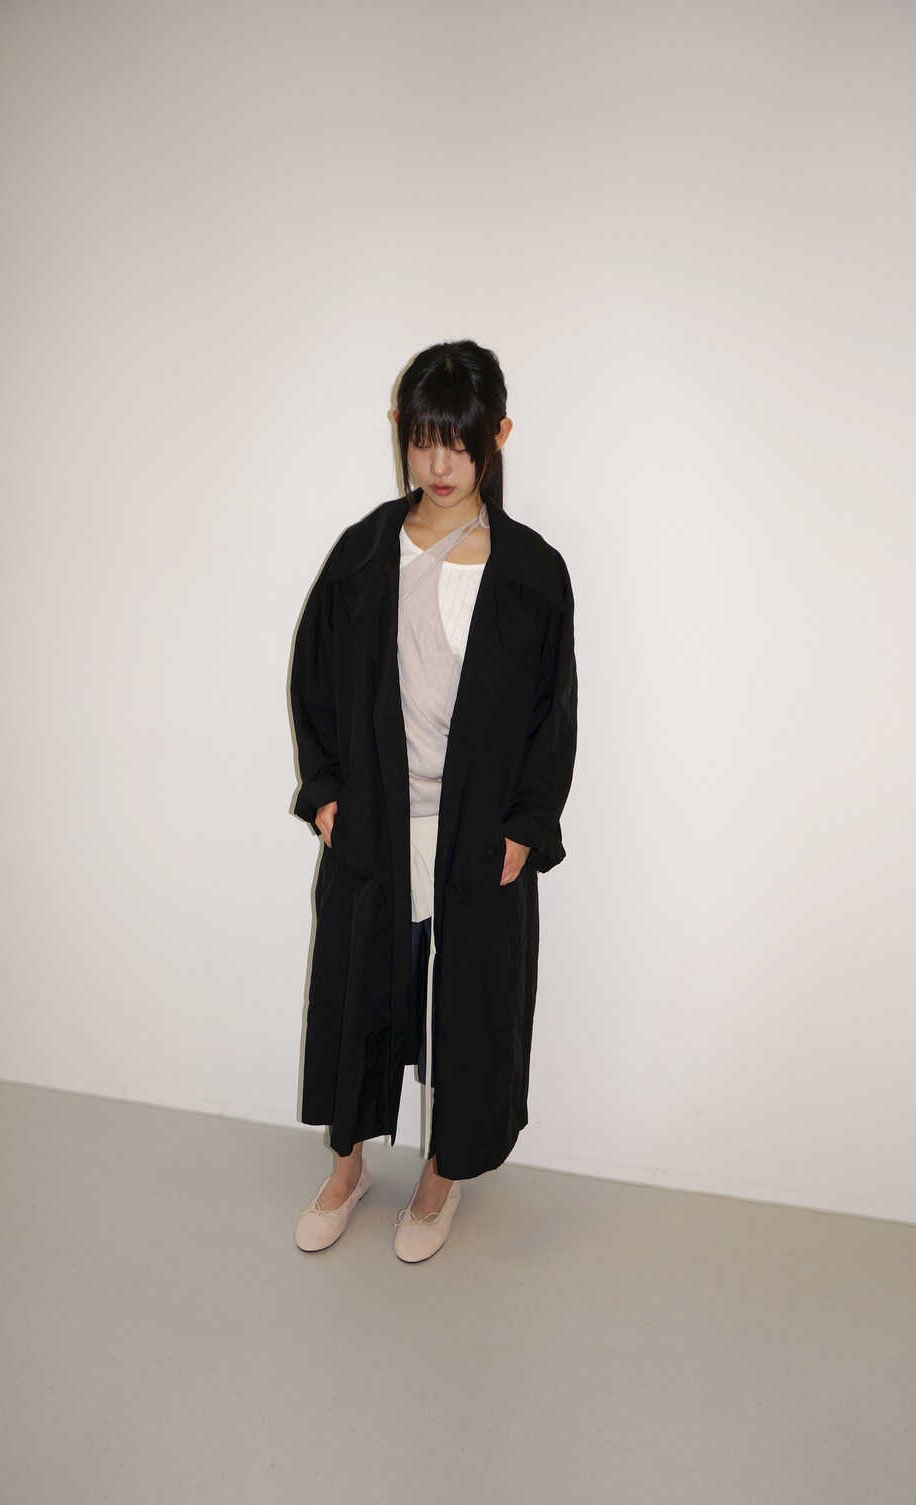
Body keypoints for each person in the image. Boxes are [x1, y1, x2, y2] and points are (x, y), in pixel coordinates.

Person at [289, 339, 577, 1262]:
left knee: (469, 1005)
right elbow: (314, 683)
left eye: (458, 441)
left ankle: (443, 1174)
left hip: (477, 833)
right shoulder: (364, 554)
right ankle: (348, 1166)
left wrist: (525, 828)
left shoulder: (530, 571)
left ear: (498, 435)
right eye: (423, 440)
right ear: (400, 433)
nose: (440, 463)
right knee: (359, 993)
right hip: (376, 823)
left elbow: (554, 714)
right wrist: (326, 795)